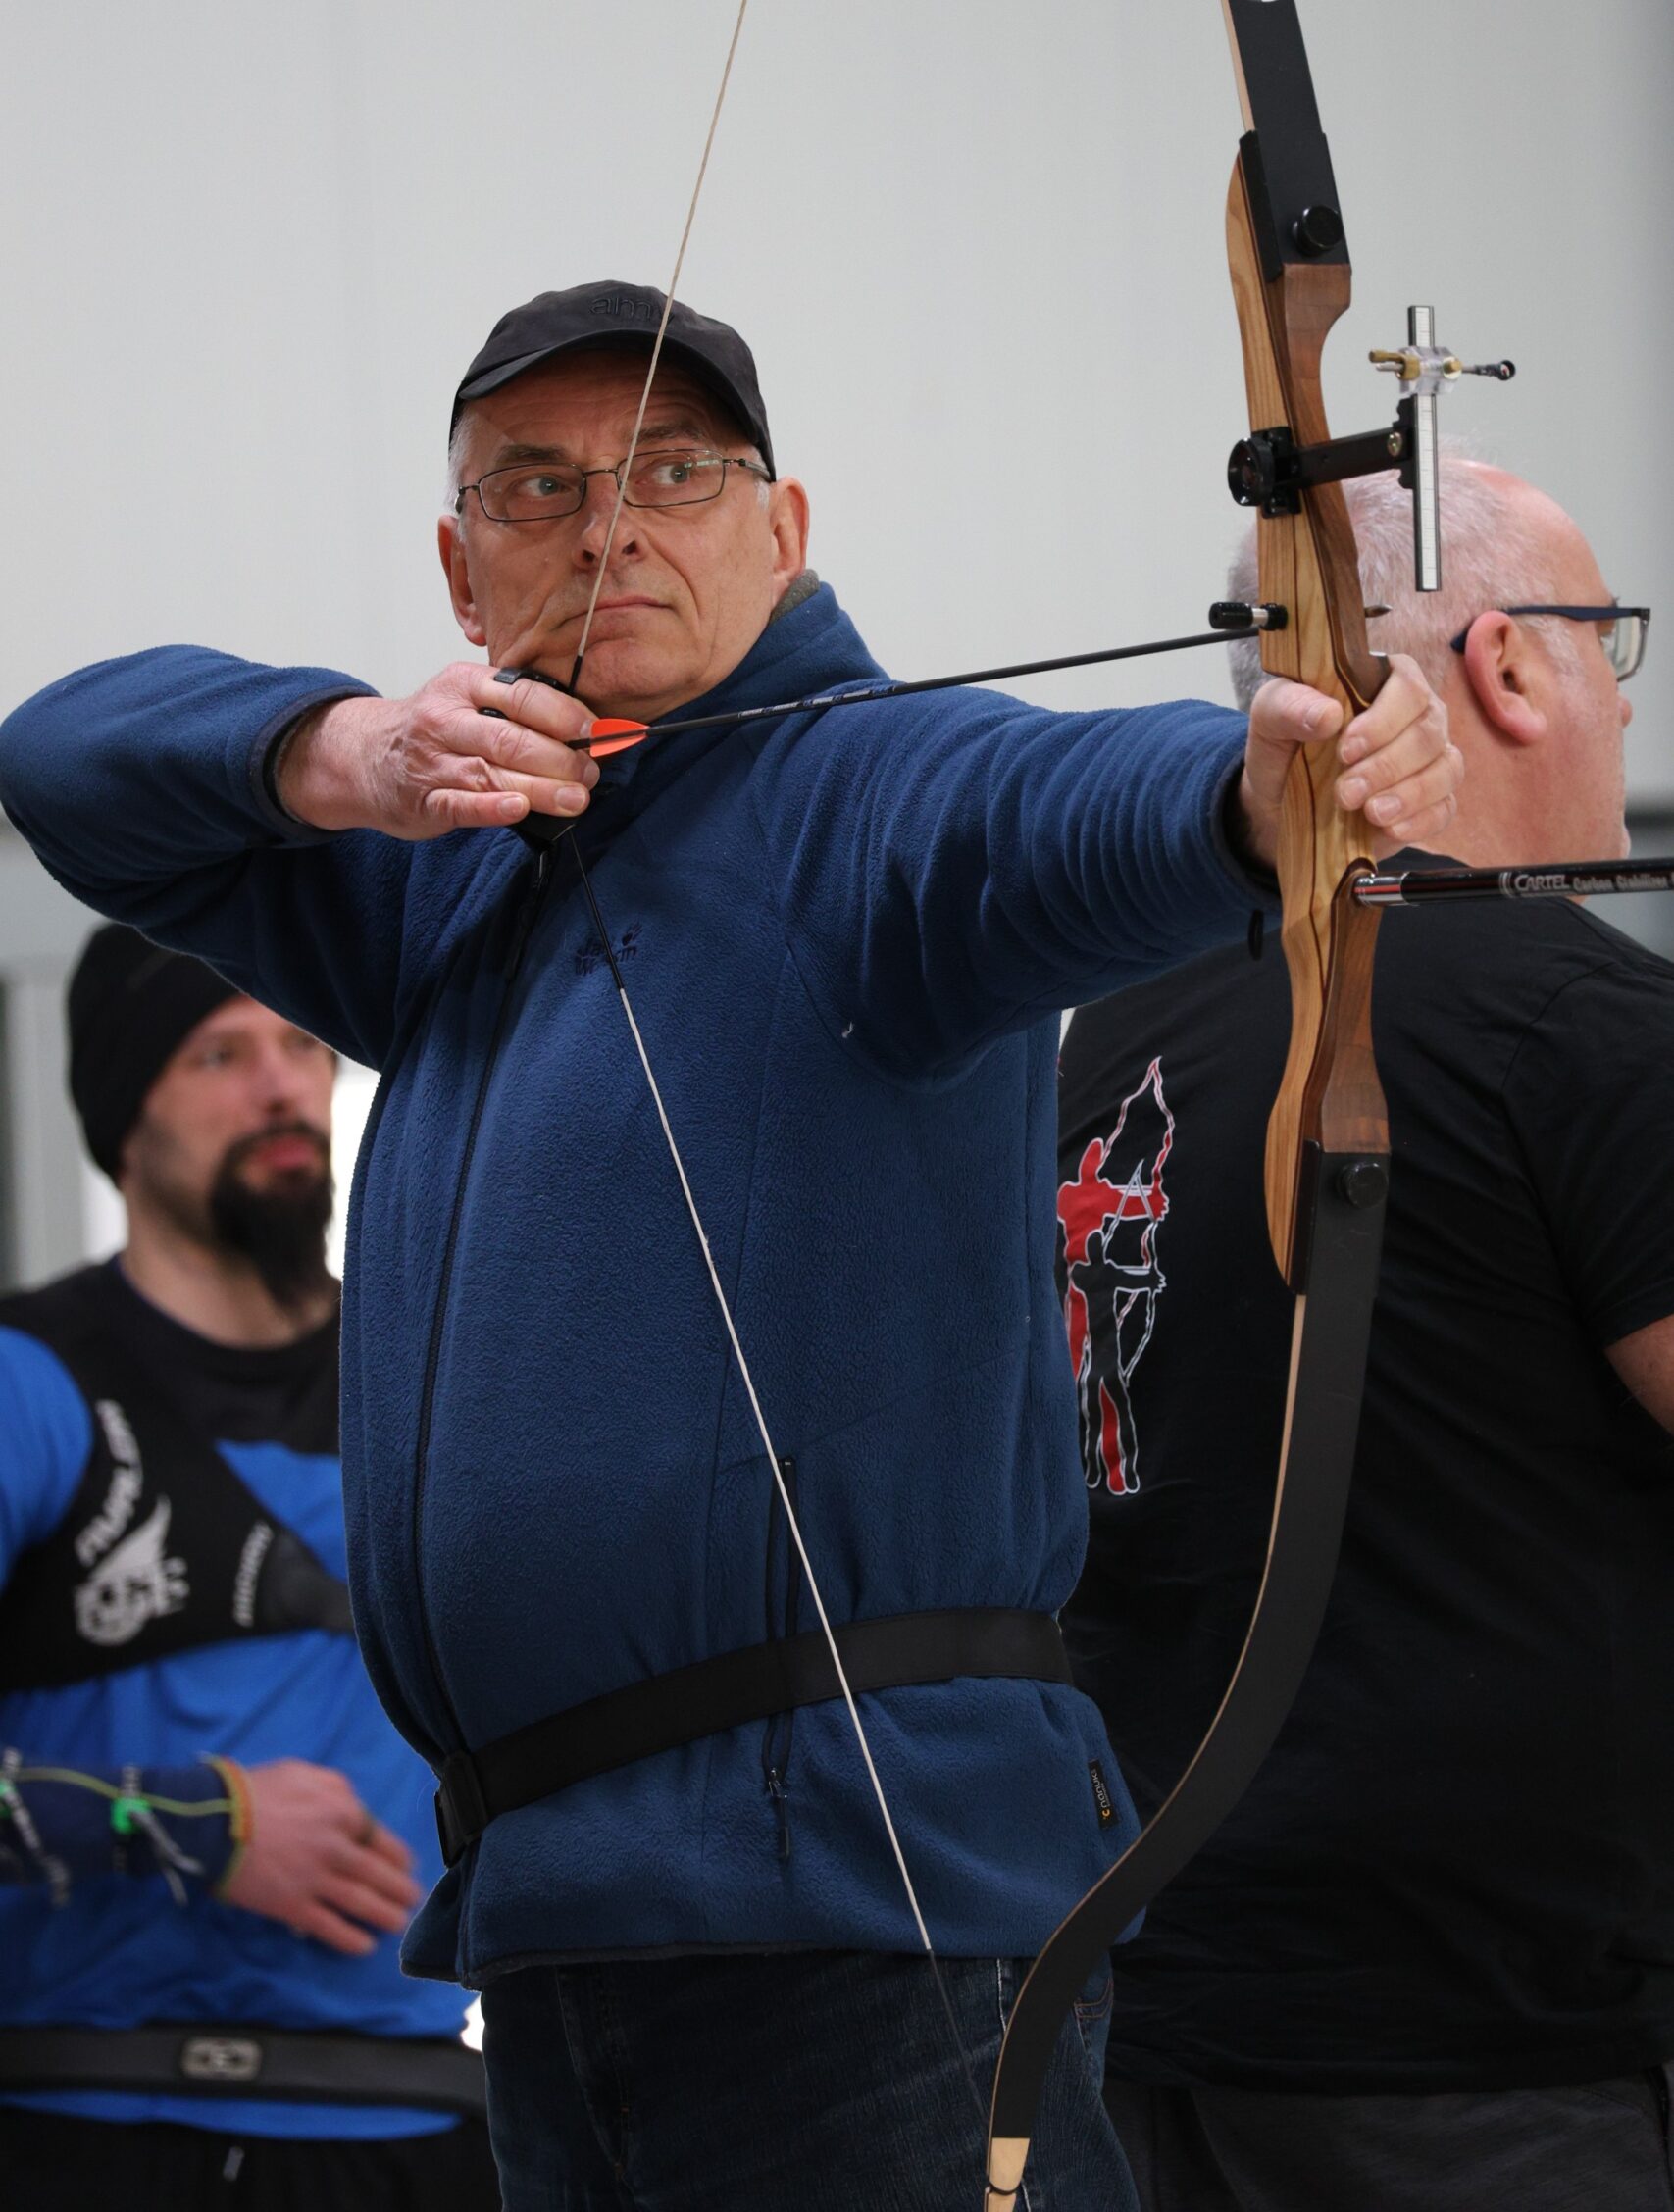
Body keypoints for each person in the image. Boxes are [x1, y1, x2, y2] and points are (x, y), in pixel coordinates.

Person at [0, 280, 1457, 2210]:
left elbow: (1052, 806)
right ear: (457, 570)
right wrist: (352, 751)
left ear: (784, 527)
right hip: (558, 1925)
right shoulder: (447, 883)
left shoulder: (864, 796)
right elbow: (58, 755)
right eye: (536, 487)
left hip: (863, 1912)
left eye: (674, 471)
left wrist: (1255, 791)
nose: (609, 526)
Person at [1057, 461, 1674, 2212]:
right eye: (1608, 642)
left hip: (1151, 2017)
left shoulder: (1117, 1040)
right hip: (1483, 2064)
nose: (1625, 702)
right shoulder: (1590, 1022)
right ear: (1509, 663)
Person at [0, 927, 498, 2209]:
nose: (280, 1086)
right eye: (218, 1054)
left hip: (435, 2132)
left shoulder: (444, 1380)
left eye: (298, 1044)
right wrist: (190, 1824)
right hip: (98, 2127)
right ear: (124, 1118)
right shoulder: (30, 1385)